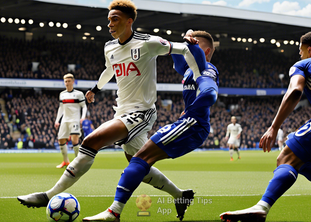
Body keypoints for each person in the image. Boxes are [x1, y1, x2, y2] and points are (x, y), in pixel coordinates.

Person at [18, 1, 205, 220]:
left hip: (142, 112)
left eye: (114, 19)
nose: (109, 24)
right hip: (122, 111)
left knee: (90, 141)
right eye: (108, 19)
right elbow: (109, 70)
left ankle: (49, 195)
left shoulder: (148, 43)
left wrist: (199, 82)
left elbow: (184, 49)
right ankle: (180, 195)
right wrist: (95, 89)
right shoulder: (109, 47)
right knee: (137, 163)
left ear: (129, 21)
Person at [220, 31, 311, 222]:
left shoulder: (304, 64)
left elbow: (295, 90)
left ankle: (261, 208)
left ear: (308, 50)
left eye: (300, 51)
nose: (299, 55)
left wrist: (274, 127)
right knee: (300, 162)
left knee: (284, 158)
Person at [82, 29, 217, 222]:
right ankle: (181, 196)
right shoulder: (189, 70)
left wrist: (191, 109)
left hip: (192, 124)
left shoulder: (207, 70)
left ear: (204, 52)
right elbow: (179, 59)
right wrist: (183, 42)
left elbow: (210, 94)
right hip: (189, 124)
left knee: (139, 160)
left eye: (192, 47)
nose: (188, 49)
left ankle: (114, 212)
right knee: (139, 160)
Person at [54, 74, 87, 168]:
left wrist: (83, 117)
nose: (67, 83)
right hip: (65, 120)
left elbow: (84, 106)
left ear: (73, 82)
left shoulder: (79, 94)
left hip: (74, 120)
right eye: (65, 81)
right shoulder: (62, 94)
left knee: (74, 141)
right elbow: (61, 108)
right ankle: (66, 162)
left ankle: (79, 162)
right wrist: (57, 120)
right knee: (61, 140)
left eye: (69, 81)